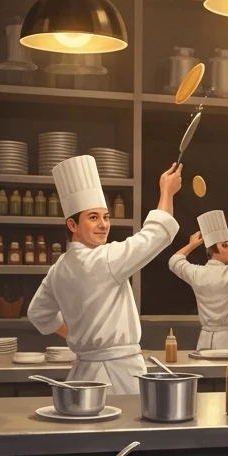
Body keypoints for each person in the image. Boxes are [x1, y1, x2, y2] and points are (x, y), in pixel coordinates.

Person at [28, 156, 183, 393]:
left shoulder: (57, 269)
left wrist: (78, 335)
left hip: (82, 375)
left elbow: (37, 313)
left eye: (106, 216)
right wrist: (167, 193)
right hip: (118, 376)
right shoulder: (104, 260)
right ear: (72, 225)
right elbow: (156, 235)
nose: (103, 224)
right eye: (93, 217)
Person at [168, 211, 228, 350]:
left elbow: (174, 261)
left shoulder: (197, 273)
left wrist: (192, 244)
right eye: (225, 245)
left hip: (205, 340)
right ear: (212, 250)